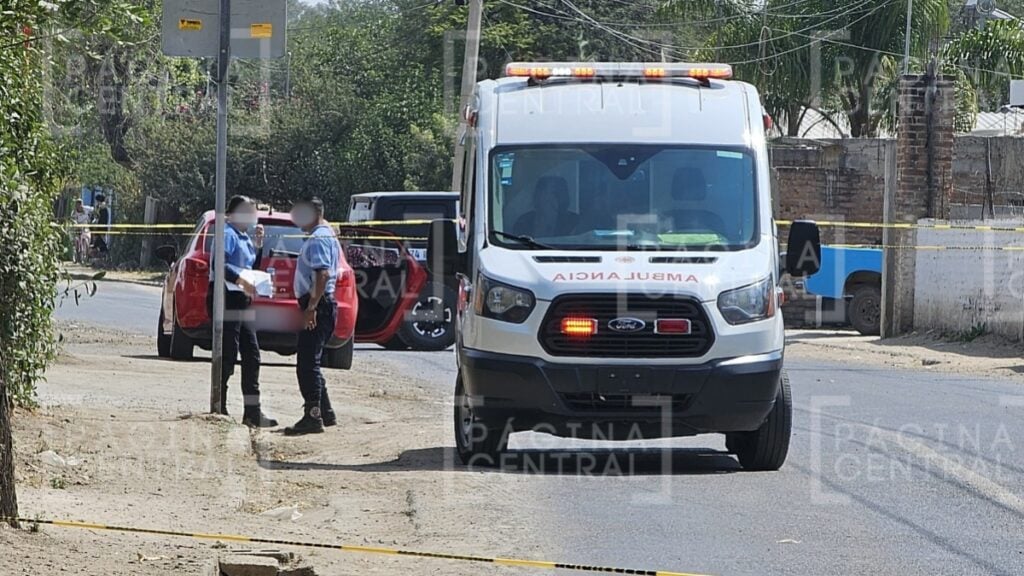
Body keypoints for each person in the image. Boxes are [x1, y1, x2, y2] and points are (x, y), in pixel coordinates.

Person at [207, 195, 278, 428]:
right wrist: (239, 280)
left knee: (252, 354)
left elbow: (249, 267)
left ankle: (252, 411)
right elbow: (221, 264)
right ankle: (220, 406)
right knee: (228, 353)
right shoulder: (227, 233)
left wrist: (258, 248)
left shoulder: (244, 237)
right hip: (227, 298)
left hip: (242, 300)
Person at [285, 196, 340, 436]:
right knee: (312, 361)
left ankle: (312, 416)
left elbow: (322, 275)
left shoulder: (319, 238)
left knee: (307, 364)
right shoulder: (325, 235)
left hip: (318, 305)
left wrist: (311, 308)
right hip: (319, 304)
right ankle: (325, 412)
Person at [512, 176, 579, 238]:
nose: (548, 198)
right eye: (542, 192)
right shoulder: (523, 222)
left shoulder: (574, 222)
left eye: (554, 193)